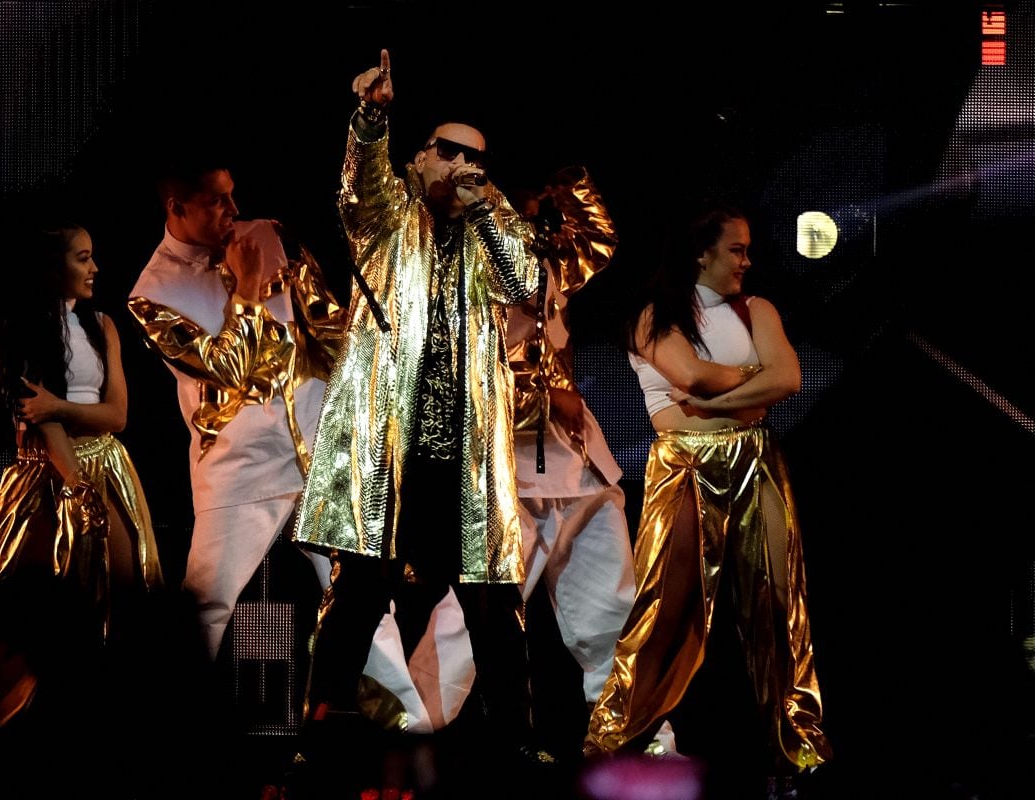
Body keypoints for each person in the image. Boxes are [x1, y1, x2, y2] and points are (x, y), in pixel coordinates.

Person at [288, 48, 548, 789]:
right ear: (422, 155)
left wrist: (486, 212)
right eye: (449, 152)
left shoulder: (484, 231)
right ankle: (316, 739)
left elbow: (525, 280)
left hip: (461, 460)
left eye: (477, 158)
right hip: (391, 454)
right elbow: (358, 183)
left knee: (495, 607)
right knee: (357, 596)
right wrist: (370, 117)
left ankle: (518, 750)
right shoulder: (386, 215)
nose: (463, 166)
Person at [583, 202, 833, 795]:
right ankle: (617, 734)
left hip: (754, 457)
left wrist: (718, 402)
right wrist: (752, 375)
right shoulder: (653, 317)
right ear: (703, 253)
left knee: (777, 601)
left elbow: (787, 378)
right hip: (685, 465)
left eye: (747, 250)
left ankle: (799, 747)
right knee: (667, 607)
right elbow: (689, 375)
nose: (747, 260)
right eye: (736, 249)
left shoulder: (759, 309)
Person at [127, 161, 345, 669]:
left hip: (318, 443)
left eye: (232, 195)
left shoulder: (270, 235)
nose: (233, 210)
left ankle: (406, 720)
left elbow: (329, 328)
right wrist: (246, 288)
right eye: (216, 201)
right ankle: (176, 714)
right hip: (239, 463)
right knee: (206, 603)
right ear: (176, 206)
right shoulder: (151, 294)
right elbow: (227, 370)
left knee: (354, 594)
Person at [0, 222, 164, 730]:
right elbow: (39, 419)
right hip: (44, 472)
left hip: (106, 463)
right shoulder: (17, 330)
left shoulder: (104, 327)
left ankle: (111, 715)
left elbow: (116, 416)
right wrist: (72, 481)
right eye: (82, 258)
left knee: (123, 593)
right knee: (26, 610)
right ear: (52, 266)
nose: (94, 269)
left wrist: (58, 405)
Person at [507, 166, 637, 751]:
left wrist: (569, 180)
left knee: (611, 607)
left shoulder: (542, 257)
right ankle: (412, 736)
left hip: (579, 461)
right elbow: (461, 371)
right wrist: (541, 393)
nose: (532, 211)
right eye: (522, 200)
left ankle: (631, 735)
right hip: (513, 467)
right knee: (466, 631)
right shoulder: (457, 271)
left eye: (535, 203)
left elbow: (599, 240)